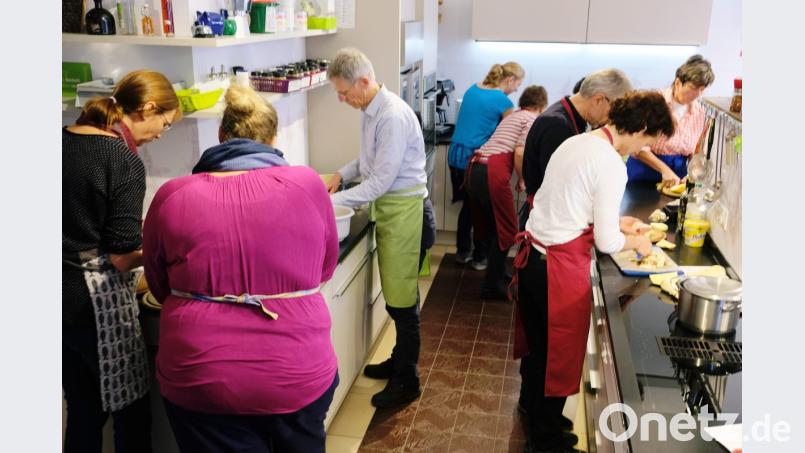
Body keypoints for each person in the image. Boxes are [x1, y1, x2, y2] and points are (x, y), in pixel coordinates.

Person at [142, 85, 339, 453]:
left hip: (203, 376)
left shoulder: (173, 195)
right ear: (273, 138)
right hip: (297, 369)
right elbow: (324, 269)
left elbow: (158, 283)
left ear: (220, 136)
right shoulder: (309, 185)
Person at [512, 91, 675, 453]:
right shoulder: (612, 163)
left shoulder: (580, 141)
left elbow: (571, 203)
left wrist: (621, 223)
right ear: (643, 128)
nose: (644, 149)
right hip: (558, 269)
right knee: (556, 356)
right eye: (649, 140)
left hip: (536, 258)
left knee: (539, 352)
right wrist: (639, 244)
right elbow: (606, 242)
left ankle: (543, 421)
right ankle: (545, 442)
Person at [62, 69, 180, 453]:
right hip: (95, 304)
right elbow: (121, 257)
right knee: (131, 415)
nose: (162, 133)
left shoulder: (65, 137)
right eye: (164, 122)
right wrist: (161, 244)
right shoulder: (122, 160)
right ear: (146, 109)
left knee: (82, 411)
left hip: (58, 296)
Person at [324, 48, 428, 408]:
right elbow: (369, 160)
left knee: (403, 304)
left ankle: (407, 381)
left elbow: (381, 181)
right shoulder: (370, 110)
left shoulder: (392, 116)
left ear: (364, 81)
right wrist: (341, 174)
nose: (341, 99)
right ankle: (399, 362)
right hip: (392, 209)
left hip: (405, 211)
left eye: (344, 92)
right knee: (398, 301)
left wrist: (325, 202)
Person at [520, 69, 632, 228]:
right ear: (599, 99)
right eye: (613, 111)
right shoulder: (557, 125)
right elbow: (562, 188)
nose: (610, 119)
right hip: (548, 224)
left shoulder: (569, 117)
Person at [465, 85, 548, 300]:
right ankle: (491, 287)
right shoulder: (531, 119)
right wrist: (524, 180)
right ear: (540, 106)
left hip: (476, 170)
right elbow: (520, 152)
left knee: (495, 228)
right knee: (509, 230)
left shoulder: (513, 116)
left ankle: (498, 273)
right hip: (491, 173)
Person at [448, 62, 525, 270]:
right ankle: (481, 257)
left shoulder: (473, 89)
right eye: (517, 84)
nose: (516, 89)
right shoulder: (502, 101)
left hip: (455, 154)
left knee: (468, 206)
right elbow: (512, 132)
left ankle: (463, 252)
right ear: (509, 80)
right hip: (474, 159)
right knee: (482, 210)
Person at [626, 55, 715, 186]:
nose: (698, 94)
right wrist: (665, 170)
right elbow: (636, 145)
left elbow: (696, 152)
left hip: (676, 179)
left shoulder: (699, 113)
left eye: (702, 89)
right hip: (643, 174)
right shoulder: (654, 102)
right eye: (694, 88)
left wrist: (692, 174)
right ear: (678, 83)